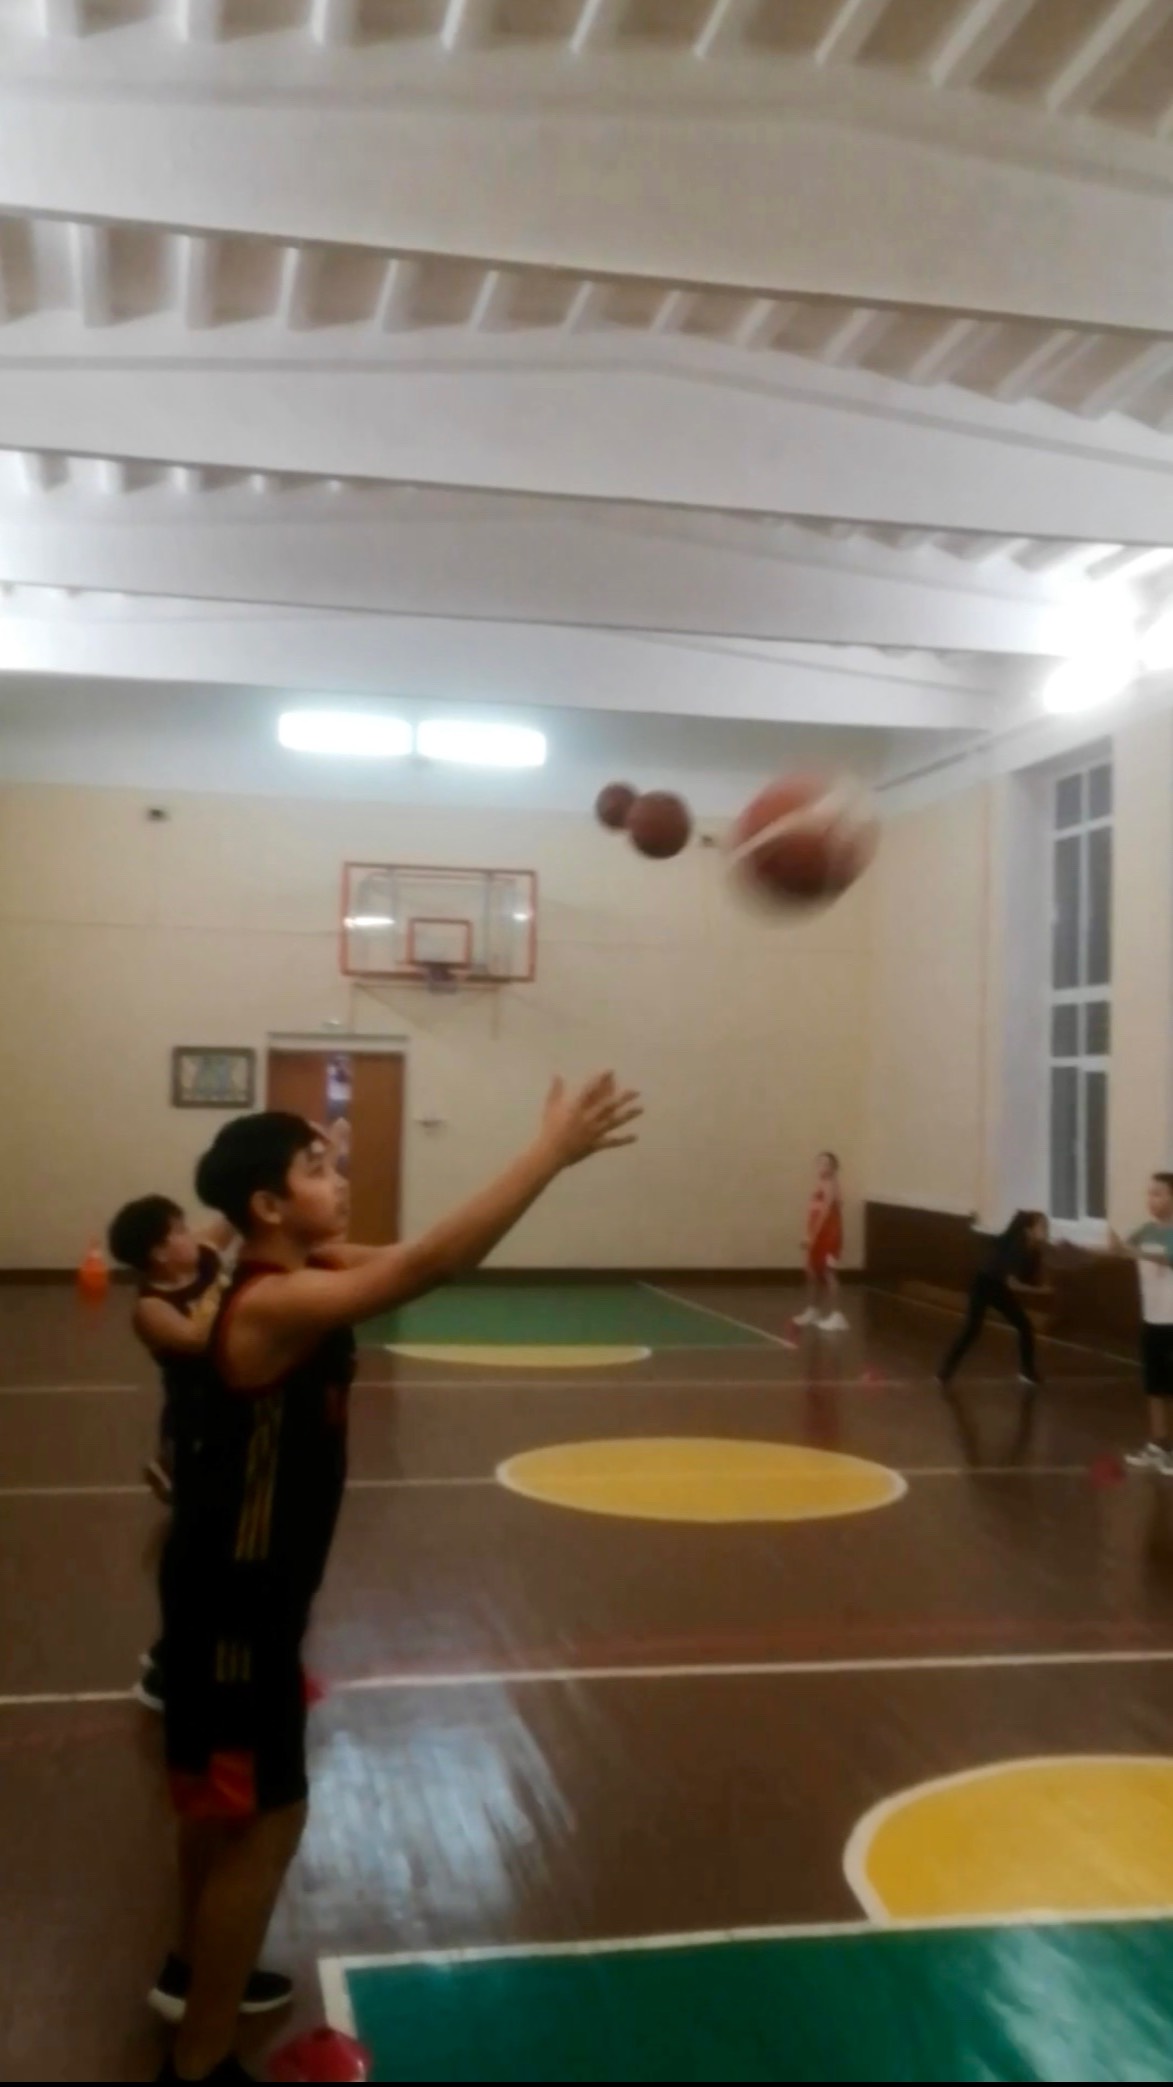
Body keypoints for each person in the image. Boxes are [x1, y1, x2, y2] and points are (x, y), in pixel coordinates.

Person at [156, 1072, 640, 2086]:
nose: (340, 1175)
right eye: (317, 1167)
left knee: (220, 1803)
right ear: (267, 1205)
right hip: (238, 1606)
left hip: (236, 1597)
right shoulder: (275, 1299)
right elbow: (432, 1261)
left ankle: (191, 1974)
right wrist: (549, 1152)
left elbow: (426, 1253)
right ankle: (198, 2064)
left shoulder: (308, 1266)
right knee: (268, 1818)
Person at [106, 1195, 234, 1714]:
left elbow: (231, 1219)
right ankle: (168, 1671)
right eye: (178, 1231)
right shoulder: (151, 1308)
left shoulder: (203, 1257)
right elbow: (198, 1339)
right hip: (193, 1427)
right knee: (198, 1548)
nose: (191, 1235)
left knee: (221, 1545)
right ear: (158, 1253)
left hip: (230, 1420)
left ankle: (176, 1649)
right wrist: (239, 1291)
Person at [936, 1210, 1048, 1392]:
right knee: (972, 1330)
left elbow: (1026, 1276)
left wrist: (1037, 1268)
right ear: (1029, 1229)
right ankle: (944, 1372)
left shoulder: (1031, 1247)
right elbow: (1014, 1282)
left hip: (997, 1287)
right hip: (983, 1285)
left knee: (1024, 1326)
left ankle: (1027, 1372)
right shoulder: (1018, 1243)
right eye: (1041, 1226)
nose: (1045, 1229)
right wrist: (1041, 1291)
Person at [1108, 1173, 1173, 1475]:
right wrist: (1105, 1246)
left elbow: (1168, 1259)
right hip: (1151, 1320)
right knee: (1154, 1386)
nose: (1151, 1199)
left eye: (1158, 1194)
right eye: (1149, 1194)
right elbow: (1121, 1250)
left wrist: (1133, 1251)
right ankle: (1159, 1446)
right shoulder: (1146, 1230)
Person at [795, 1151, 847, 1334]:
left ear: (833, 1167)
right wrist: (808, 1234)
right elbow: (814, 1212)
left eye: (826, 1163)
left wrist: (812, 1236)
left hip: (829, 1235)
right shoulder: (820, 1184)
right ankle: (813, 1310)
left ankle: (837, 1316)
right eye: (819, 1162)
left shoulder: (832, 1184)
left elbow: (825, 1213)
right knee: (812, 1272)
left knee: (828, 1272)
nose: (822, 1166)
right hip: (817, 1235)